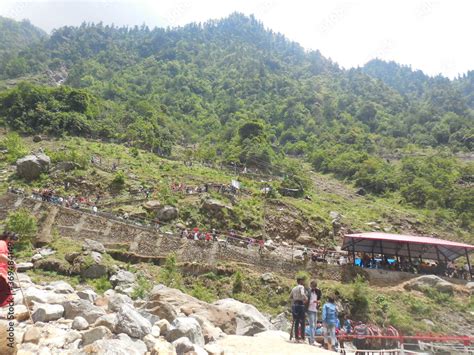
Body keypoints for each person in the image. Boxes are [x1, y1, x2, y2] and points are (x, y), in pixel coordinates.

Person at [0, 231, 18, 307]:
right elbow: (0, 256)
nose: (13, 243)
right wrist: (12, 263)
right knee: (5, 293)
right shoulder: (2, 243)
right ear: (8, 238)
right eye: (13, 240)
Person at [289, 277, 308, 343]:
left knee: (296, 322)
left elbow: (290, 297)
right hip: (300, 305)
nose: (303, 282)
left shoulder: (294, 288)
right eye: (302, 281)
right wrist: (306, 298)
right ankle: (302, 338)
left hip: (295, 305)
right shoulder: (301, 287)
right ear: (300, 281)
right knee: (302, 321)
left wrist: (294, 301)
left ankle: (296, 338)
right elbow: (302, 294)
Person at [306, 280, 322, 346]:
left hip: (315, 309)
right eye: (313, 286)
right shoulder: (308, 292)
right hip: (309, 309)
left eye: (315, 286)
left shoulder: (317, 292)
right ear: (311, 285)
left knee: (315, 325)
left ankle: (312, 340)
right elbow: (306, 301)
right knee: (312, 325)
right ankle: (312, 341)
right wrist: (313, 301)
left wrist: (318, 302)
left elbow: (319, 298)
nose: (314, 287)